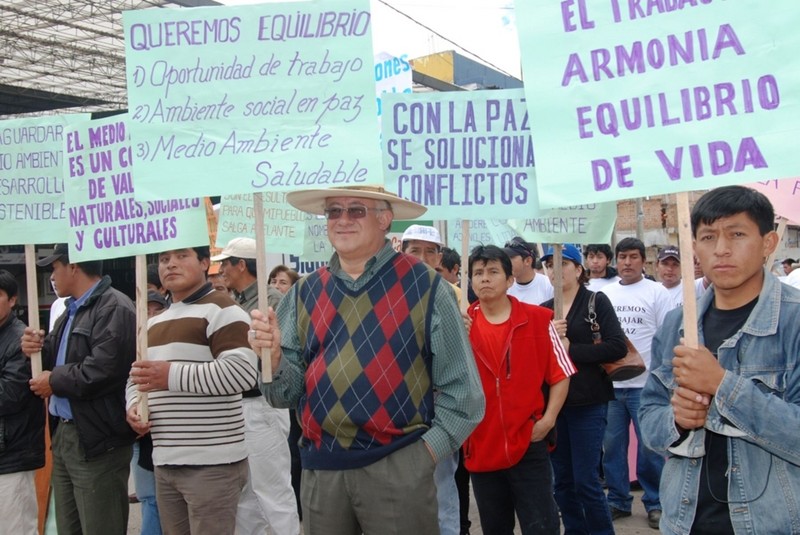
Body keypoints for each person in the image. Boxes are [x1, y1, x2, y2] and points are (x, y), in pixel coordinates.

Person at [249, 185, 485, 535]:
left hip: (399, 465)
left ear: (384, 219)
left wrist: (423, 456)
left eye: (356, 210)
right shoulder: (302, 292)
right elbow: (282, 394)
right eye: (333, 211)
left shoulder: (426, 286)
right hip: (322, 470)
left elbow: (464, 393)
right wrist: (273, 357)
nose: (342, 220)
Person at [640, 185, 800, 533]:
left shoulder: (794, 321)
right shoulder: (677, 325)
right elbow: (649, 419)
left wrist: (722, 385)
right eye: (708, 237)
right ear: (694, 247)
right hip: (684, 521)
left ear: (768, 243)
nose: (722, 249)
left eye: (737, 234)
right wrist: (678, 421)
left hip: (772, 523)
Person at [126, 246, 259, 535]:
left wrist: (170, 375)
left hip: (212, 464)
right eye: (163, 260)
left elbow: (243, 374)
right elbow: (136, 376)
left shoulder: (225, 311)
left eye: (181, 256)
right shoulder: (152, 321)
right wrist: (134, 405)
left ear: (204, 263)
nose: (170, 264)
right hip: (165, 461)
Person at [21, 243, 136, 535]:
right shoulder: (68, 312)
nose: (52, 276)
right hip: (65, 433)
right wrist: (33, 348)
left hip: (98, 439)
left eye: (54, 268)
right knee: (68, 527)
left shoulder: (115, 307)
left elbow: (103, 370)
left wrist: (53, 380)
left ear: (73, 267)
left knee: (101, 526)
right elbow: (53, 358)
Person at [465, 244, 574, 535]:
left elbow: (561, 373)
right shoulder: (462, 326)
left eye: (492, 271)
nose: (484, 279)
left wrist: (549, 419)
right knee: (495, 527)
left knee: (542, 525)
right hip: (482, 444)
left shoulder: (539, 319)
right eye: (478, 273)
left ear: (510, 279)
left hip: (529, 441)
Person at [211, 238, 300, 535]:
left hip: (264, 405)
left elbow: (281, 353)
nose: (221, 269)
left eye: (226, 263)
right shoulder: (238, 301)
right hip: (241, 405)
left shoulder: (270, 300)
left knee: (273, 492)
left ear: (241, 265)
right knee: (246, 495)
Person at [540, 245, 627, 535]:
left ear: (579, 270)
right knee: (562, 482)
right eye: (549, 265)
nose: (555, 270)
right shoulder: (543, 311)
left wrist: (570, 349)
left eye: (562, 263)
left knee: (586, 481)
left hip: (588, 403)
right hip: (555, 407)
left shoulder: (595, 302)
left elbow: (616, 345)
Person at [600, 237, 672, 529]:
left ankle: (654, 503)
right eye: (622, 257)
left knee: (650, 447)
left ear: (644, 261)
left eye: (633, 257)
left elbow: (666, 337)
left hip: (647, 385)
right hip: (612, 385)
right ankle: (618, 500)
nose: (627, 262)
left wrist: (664, 379)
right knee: (613, 446)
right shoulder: (603, 294)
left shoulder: (657, 293)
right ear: (615, 261)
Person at [401, 224, 461, 535]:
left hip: (438, 406)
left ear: (439, 256)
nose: (422, 258)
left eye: (429, 251)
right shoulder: (389, 293)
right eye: (415, 250)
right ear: (402, 252)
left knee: (441, 487)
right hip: (397, 408)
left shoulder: (447, 294)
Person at [0, 270, 45, 535]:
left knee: (15, 528)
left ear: (13, 300)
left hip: (11, 455)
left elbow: (10, 395)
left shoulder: (23, 340)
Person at [131, 291, 169, 535]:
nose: (152, 316)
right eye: (146, 311)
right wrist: (132, 405)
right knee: (148, 498)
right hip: (138, 435)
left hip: (165, 433)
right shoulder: (129, 341)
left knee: (158, 501)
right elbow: (128, 381)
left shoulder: (170, 342)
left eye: (158, 310)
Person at [503, 236, 553, 305]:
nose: (506, 262)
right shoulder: (505, 288)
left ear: (528, 261)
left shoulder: (548, 286)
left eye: (511, 257)